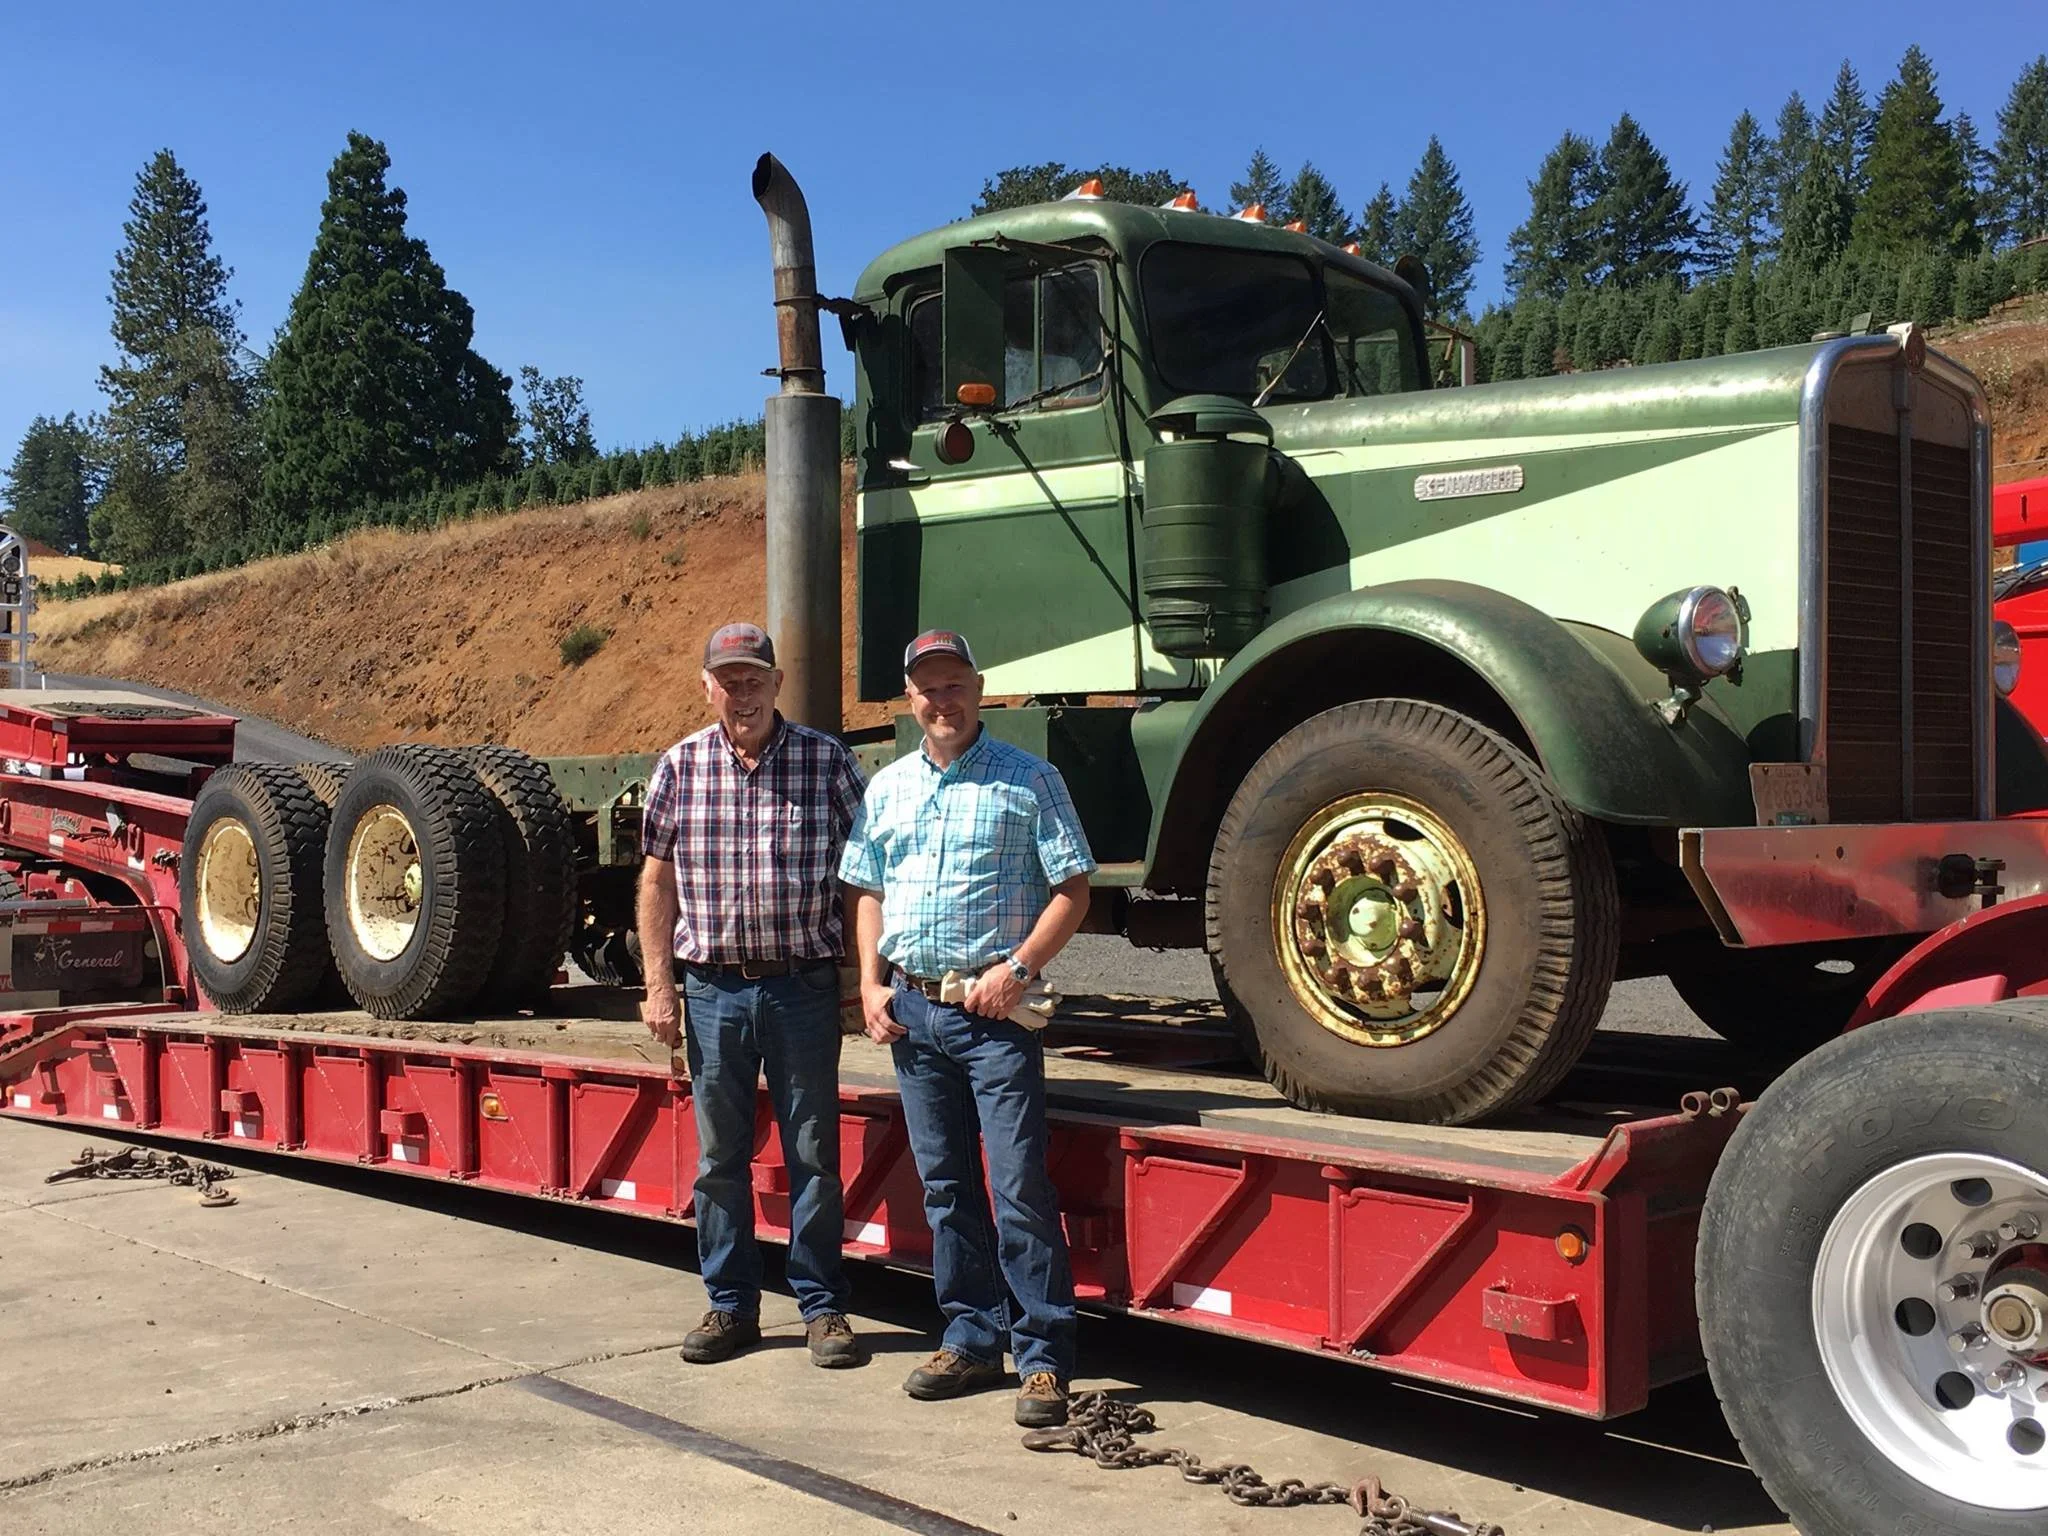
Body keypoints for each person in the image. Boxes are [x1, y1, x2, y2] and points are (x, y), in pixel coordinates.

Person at [838, 628, 1097, 1428]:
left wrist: (1017, 971)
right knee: (947, 1189)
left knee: (1017, 1187)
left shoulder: (1030, 780)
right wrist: (873, 984)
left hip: (994, 1020)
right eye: (926, 688)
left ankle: (1044, 1358)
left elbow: (1073, 890)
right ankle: (971, 1338)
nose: (940, 700)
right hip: (914, 1015)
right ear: (907, 698)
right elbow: (868, 889)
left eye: (953, 685)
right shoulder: (887, 788)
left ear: (979, 689)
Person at [639, 621, 868, 1370]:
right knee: (719, 1161)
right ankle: (730, 1305)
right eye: (726, 680)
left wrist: (863, 978)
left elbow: (864, 878)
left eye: (753, 679)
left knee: (813, 1155)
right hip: (712, 993)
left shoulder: (827, 762)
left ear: (776, 684)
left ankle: (823, 1308)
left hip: (800, 988)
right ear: (707, 687)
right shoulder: (679, 768)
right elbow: (656, 883)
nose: (741, 693)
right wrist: (658, 988)